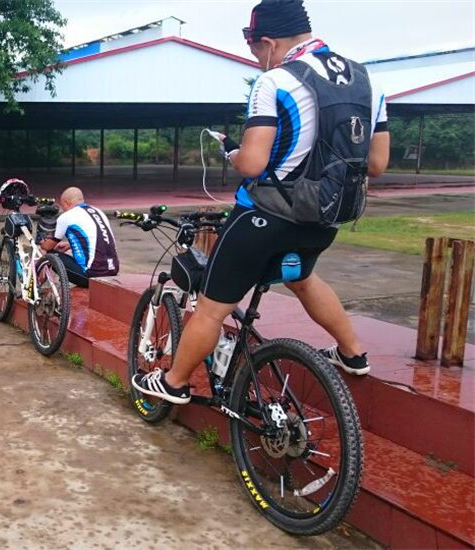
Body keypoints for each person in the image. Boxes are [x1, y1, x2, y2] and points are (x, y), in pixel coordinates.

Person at [133, 0, 390, 404]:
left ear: (268, 43)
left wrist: (234, 153)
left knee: (212, 308)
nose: (256, 60)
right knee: (302, 278)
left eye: (255, 51)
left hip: (264, 218)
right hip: (326, 218)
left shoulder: (275, 81)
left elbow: (253, 164)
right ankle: (352, 353)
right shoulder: (367, 81)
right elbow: (376, 164)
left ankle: (174, 382)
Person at [41, 187, 120, 288]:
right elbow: (99, 237)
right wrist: (70, 244)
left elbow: (47, 246)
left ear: (66, 203)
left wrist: (42, 242)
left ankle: (38, 288)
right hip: (113, 271)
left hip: (91, 276)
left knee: (48, 254)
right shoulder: (98, 212)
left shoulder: (66, 216)